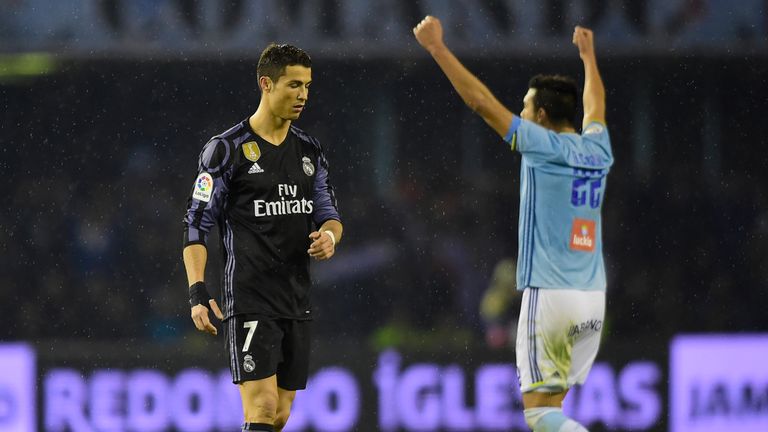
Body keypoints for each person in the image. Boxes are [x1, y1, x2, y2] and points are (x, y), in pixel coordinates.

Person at [414, 16, 612, 432]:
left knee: (541, 416)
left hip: (552, 293)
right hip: (591, 294)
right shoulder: (597, 148)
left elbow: (481, 103)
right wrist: (589, 59)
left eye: (524, 106)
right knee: (552, 410)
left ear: (540, 115)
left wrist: (437, 48)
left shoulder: (543, 146)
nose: (519, 112)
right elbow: (595, 106)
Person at [182, 43, 343, 432]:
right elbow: (195, 223)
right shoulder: (225, 150)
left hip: (296, 296)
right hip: (250, 296)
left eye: (307, 86)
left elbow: (329, 214)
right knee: (263, 406)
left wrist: (330, 238)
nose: (303, 95)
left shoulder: (309, 149)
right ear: (266, 84)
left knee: (282, 413)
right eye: (293, 85)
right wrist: (197, 291)